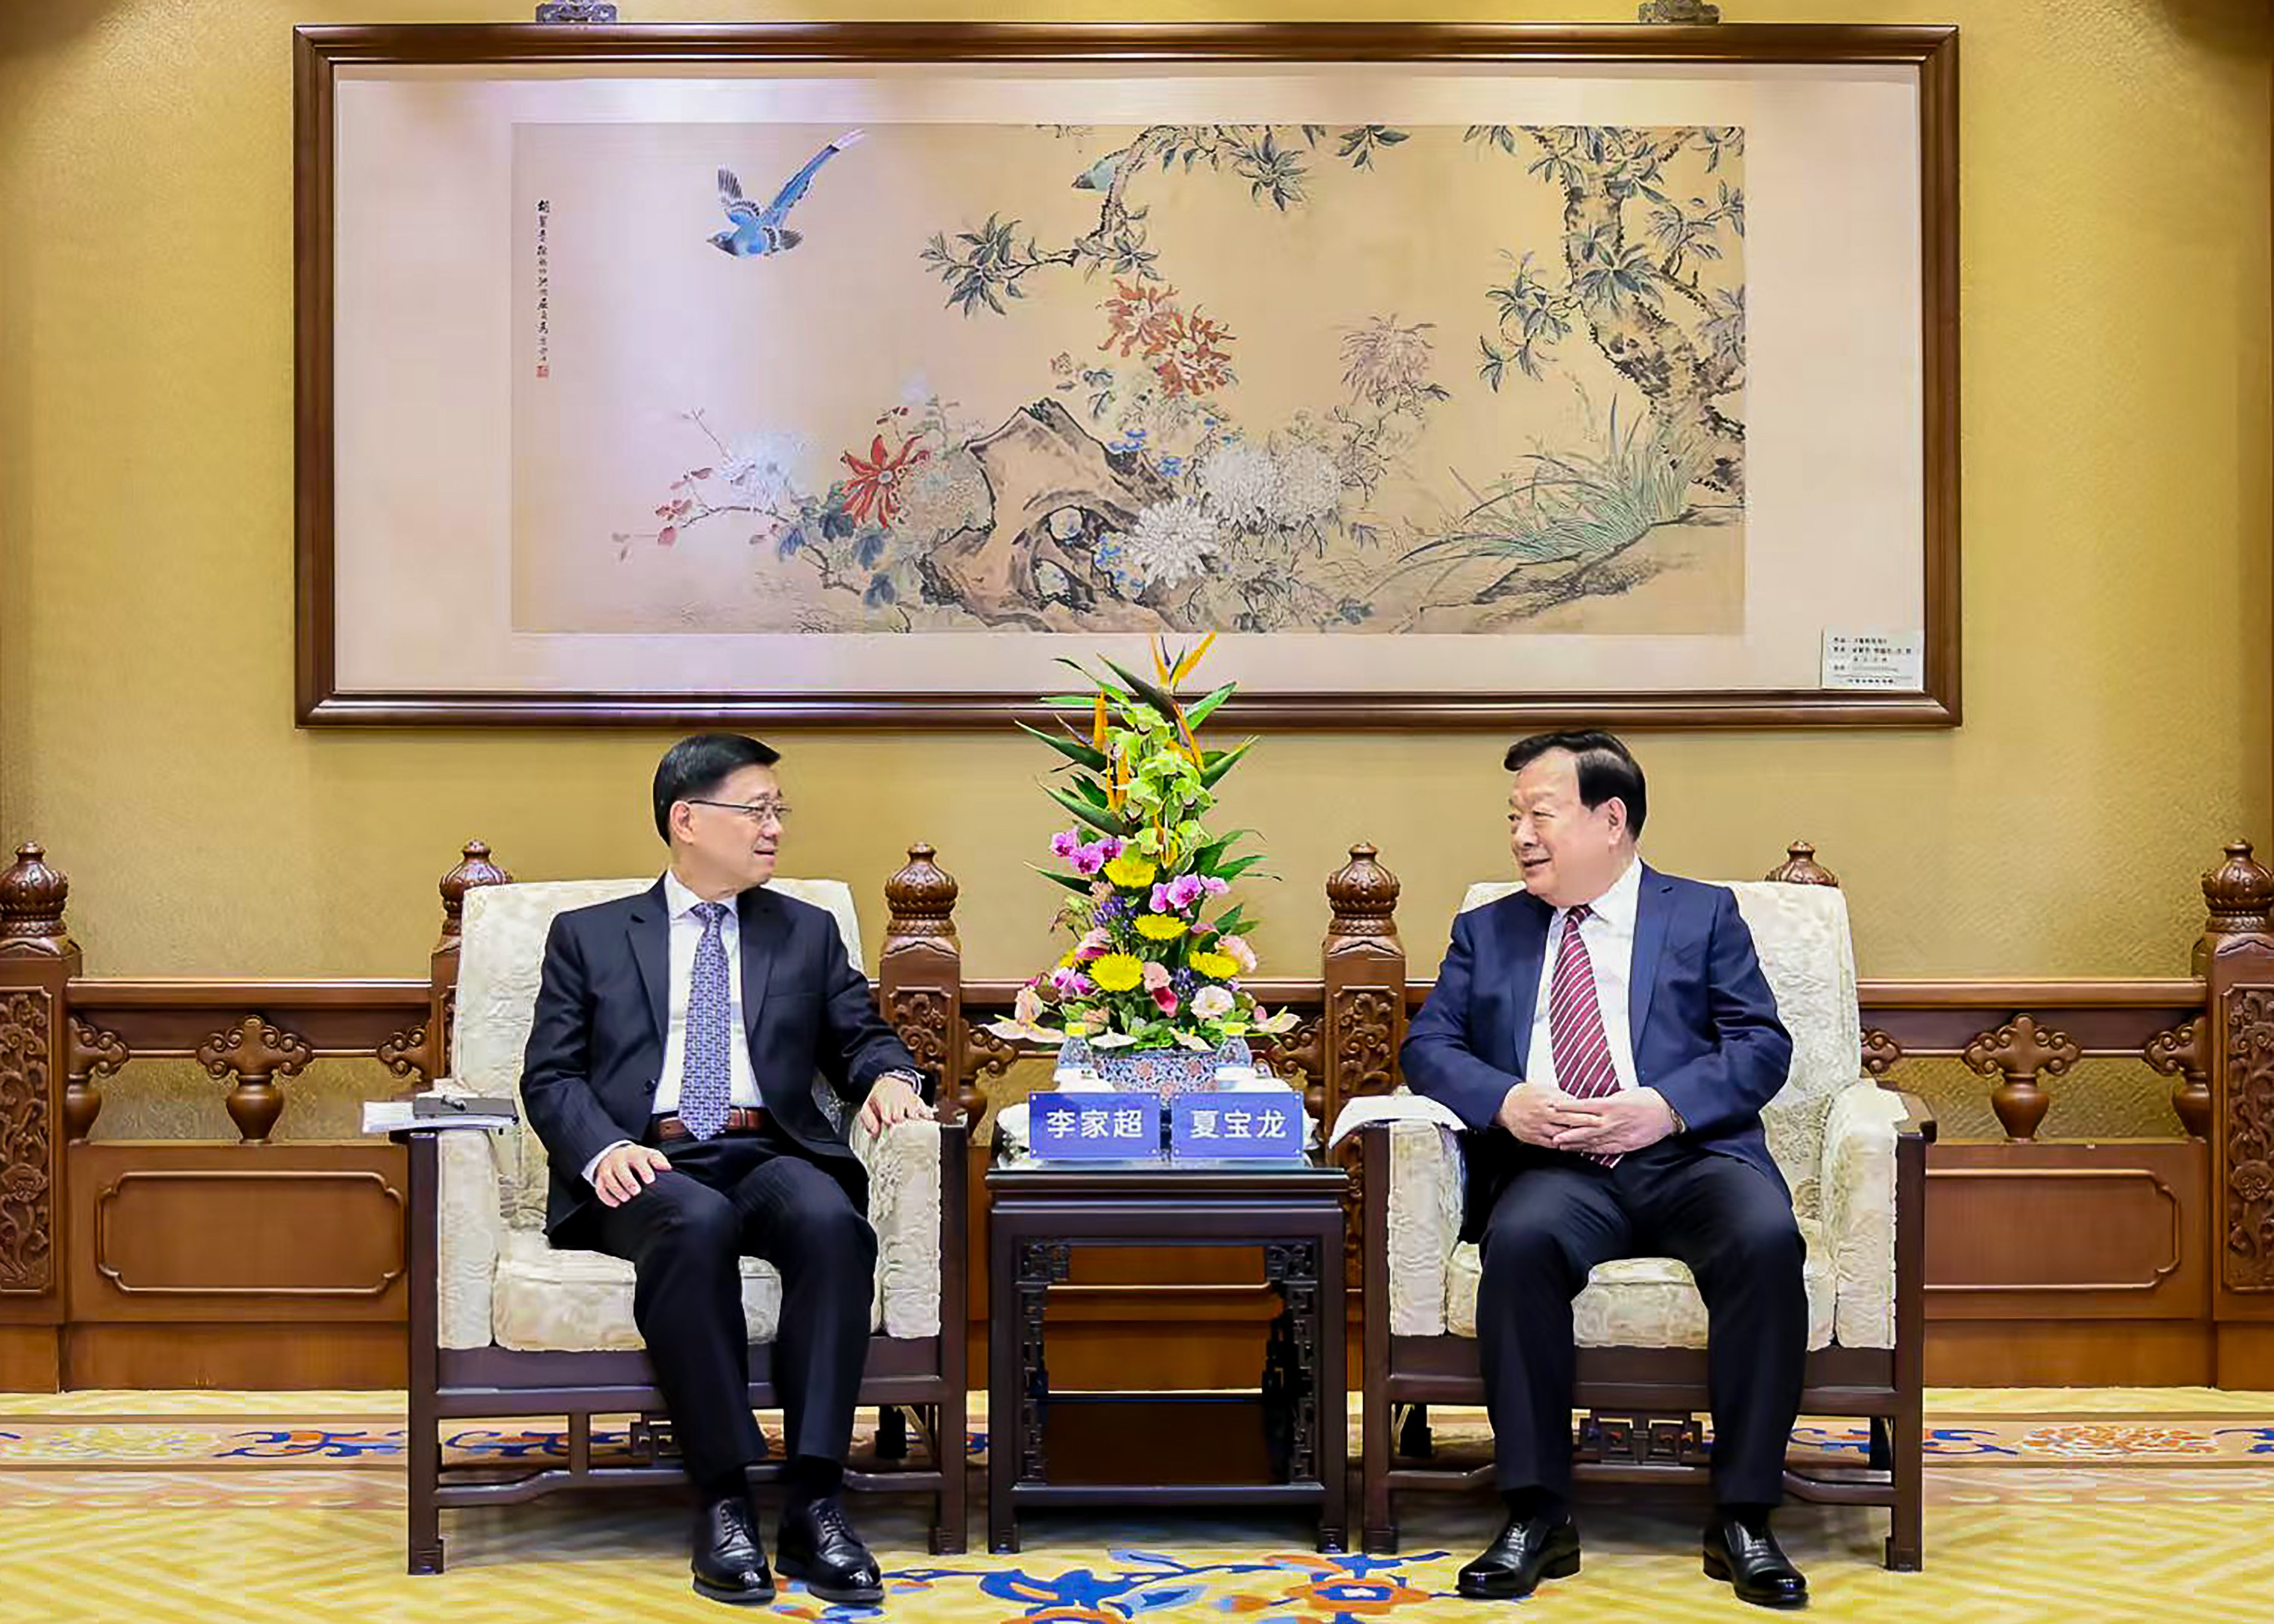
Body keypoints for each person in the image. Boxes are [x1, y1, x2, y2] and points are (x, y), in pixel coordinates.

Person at [520, 732, 932, 1607]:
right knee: (692, 1220)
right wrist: (605, 1148)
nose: (774, 827)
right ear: (688, 819)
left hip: (763, 1148)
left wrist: (892, 1077)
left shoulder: (805, 932)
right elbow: (549, 1076)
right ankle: (723, 1496)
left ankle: (816, 1500)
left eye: (779, 809)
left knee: (830, 1222)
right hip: (645, 1161)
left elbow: (859, 1036)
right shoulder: (589, 937)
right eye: (757, 809)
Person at [1400, 731, 1809, 1610]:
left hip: (1691, 1154)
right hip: (1561, 1167)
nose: (1519, 835)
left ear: (1611, 818)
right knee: (1520, 1245)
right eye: (1513, 817)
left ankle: (1743, 1515)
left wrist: (1664, 1103)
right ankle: (1537, 1514)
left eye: (1539, 813)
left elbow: (1762, 1044)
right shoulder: (1489, 928)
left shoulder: (1700, 915)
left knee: (1767, 1238)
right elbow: (1427, 1047)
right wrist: (1507, 1099)